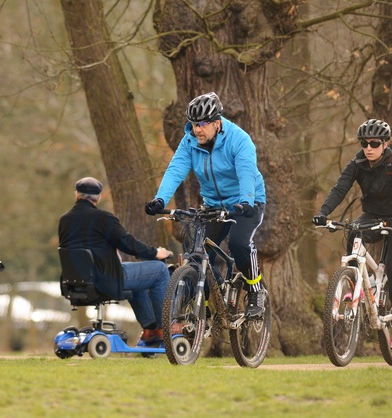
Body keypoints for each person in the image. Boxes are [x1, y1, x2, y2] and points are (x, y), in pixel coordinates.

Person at [145, 92, 268, 318]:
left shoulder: (239, 140)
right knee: (196, 251)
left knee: (239, 244)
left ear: (217, 123)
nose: (197, 130)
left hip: (246, 203)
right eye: (194, 124)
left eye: (202, 124)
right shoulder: (189, 141)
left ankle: (256, 290)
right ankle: (208, 301)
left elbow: (246, 172)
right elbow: (175, 170)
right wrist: (160, 199)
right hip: (213, 204)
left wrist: (247, 200)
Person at [312, 118, 392, 351]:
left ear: (385, 144)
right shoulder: (357, 163)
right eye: (364, 143)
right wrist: (323, 213)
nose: (369, 148)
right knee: (353, 232)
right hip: (373, 214)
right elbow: (340, 189)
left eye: (374, 143)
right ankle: (358, 282)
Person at [58, 177, 173, 343]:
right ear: (99, 197)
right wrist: (155, 253)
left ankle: (150, 329)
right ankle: (165, 329)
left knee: (137, 275)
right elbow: (128, 244)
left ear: (76, 194)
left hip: (76, 282)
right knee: (160, 270)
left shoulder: (64, 220)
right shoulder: (103, 218)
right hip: (106, 279)